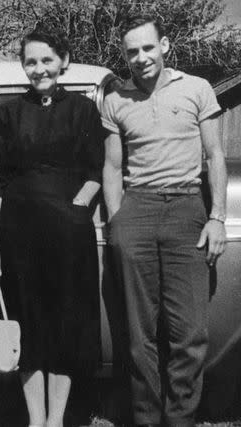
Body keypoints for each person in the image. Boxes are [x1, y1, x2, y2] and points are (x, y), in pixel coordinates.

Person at [102, 16, 227, 427]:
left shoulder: (196, 88)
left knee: (189, 334)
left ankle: (181, 419)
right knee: (140, 336)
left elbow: (215, 156)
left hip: (186, 208)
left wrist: (217, 218)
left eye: (147, 48)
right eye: (131, 52)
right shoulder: (115, 99)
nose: (140, 58)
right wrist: (117, 221)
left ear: (165, 45)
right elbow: (111, 165)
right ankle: (146, 418)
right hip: (136, 209)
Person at [0, 30, 104, 427]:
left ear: (63, 61)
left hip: (69, 236)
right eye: (31, 62)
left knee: (64, 328)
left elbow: (95, 171)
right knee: (29, 328)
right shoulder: (6, 115)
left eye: (47, 60)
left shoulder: (84, 110)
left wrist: (77, 208)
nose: (39, 69)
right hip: (18, 236)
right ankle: (36, 420)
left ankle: (56, 421)